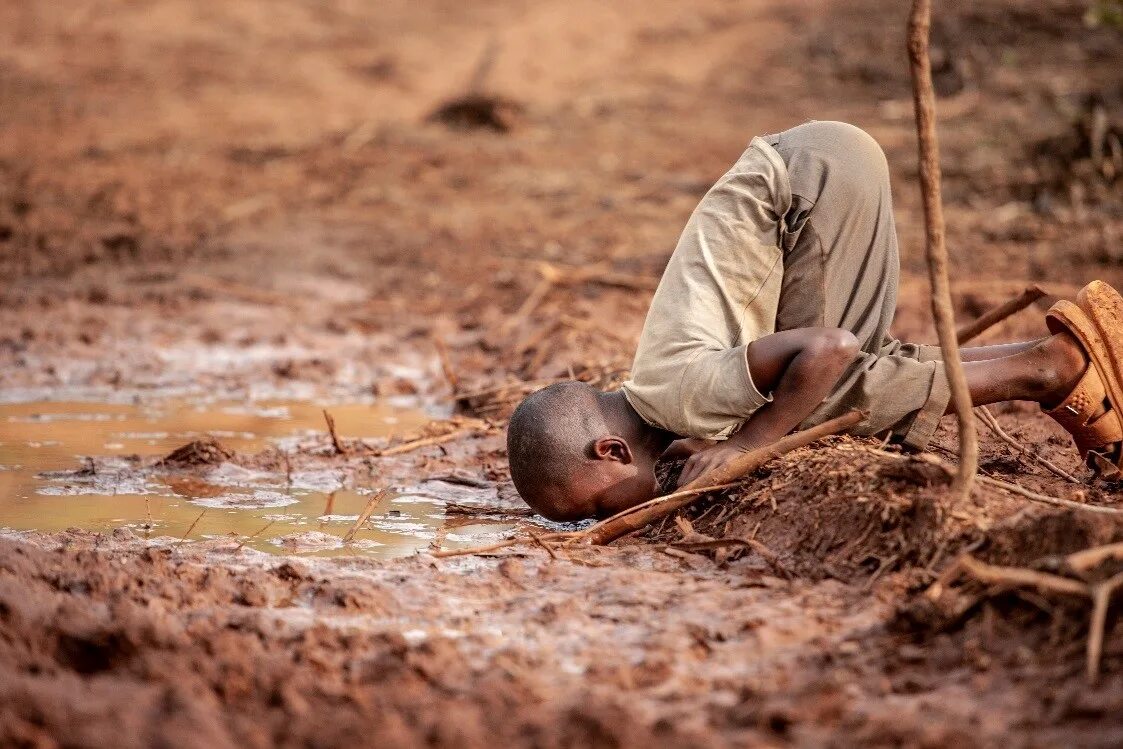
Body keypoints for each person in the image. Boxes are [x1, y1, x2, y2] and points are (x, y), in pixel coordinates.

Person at [506, 120, 1123, 522]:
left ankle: (1053, 370)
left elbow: (827, 348)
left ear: (611, 451)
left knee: (824, 396)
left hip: (810, 188)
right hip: (817, 165)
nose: (601, 521)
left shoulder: (680, 397)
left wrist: (748, 445)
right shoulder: (664, 394)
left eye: (591, 509)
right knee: (841, 379)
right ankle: (1072, 350)